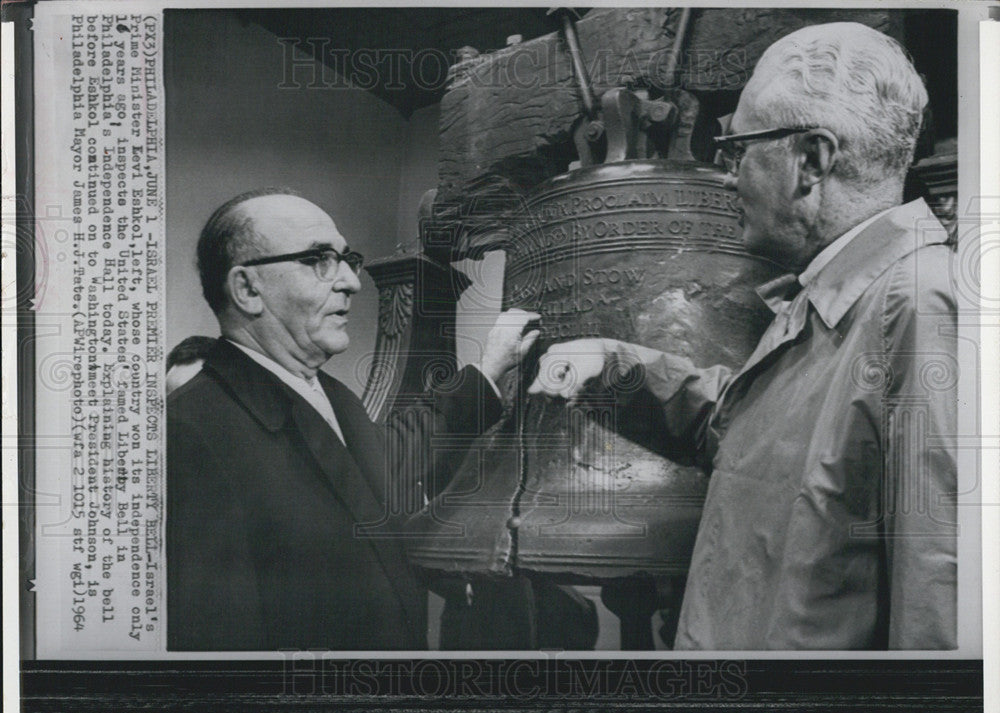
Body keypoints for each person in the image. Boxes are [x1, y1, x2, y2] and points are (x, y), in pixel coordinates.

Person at [528, 22, 956, 649]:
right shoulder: (829, 300)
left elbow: (940, 615)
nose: (728, 175)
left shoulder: (922, 306)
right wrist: (613, 365)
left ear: (810, 160)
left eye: (739, 148)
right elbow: (741, 430)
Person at [167, 188, 539, 650]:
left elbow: (391, 459)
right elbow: (222, 649)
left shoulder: (332, 396)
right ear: (247, 289)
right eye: (320, 259)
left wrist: (488, 371)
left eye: (347, 259)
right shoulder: (189, 432)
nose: (351, 282)